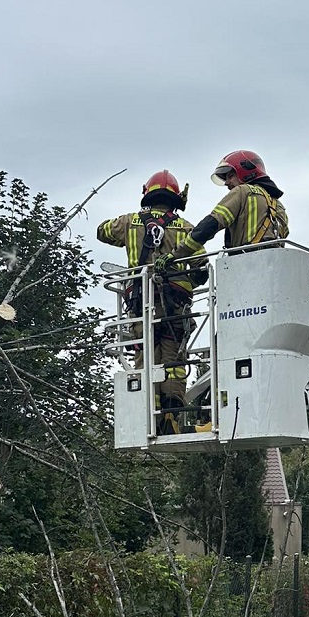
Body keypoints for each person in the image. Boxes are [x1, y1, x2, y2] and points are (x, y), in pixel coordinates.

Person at [97, 171, 206, 433]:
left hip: (140, 304)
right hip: (175, 306)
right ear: (176, 199)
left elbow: (102, 231)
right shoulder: (186, 228)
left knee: (145, 357)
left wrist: (132, 232)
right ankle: (171, 419)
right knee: (174, 361)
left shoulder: (129, 221)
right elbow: (201, 266)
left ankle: (148, 418)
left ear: (148, 194)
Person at [182, 150, 289, 250]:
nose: (227, 182)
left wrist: (178, 253)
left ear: (246, 172)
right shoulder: (279, 206)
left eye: (230, 176)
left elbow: (212, 223)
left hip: (246, 260)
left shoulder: (243, 191)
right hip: (277, 261)